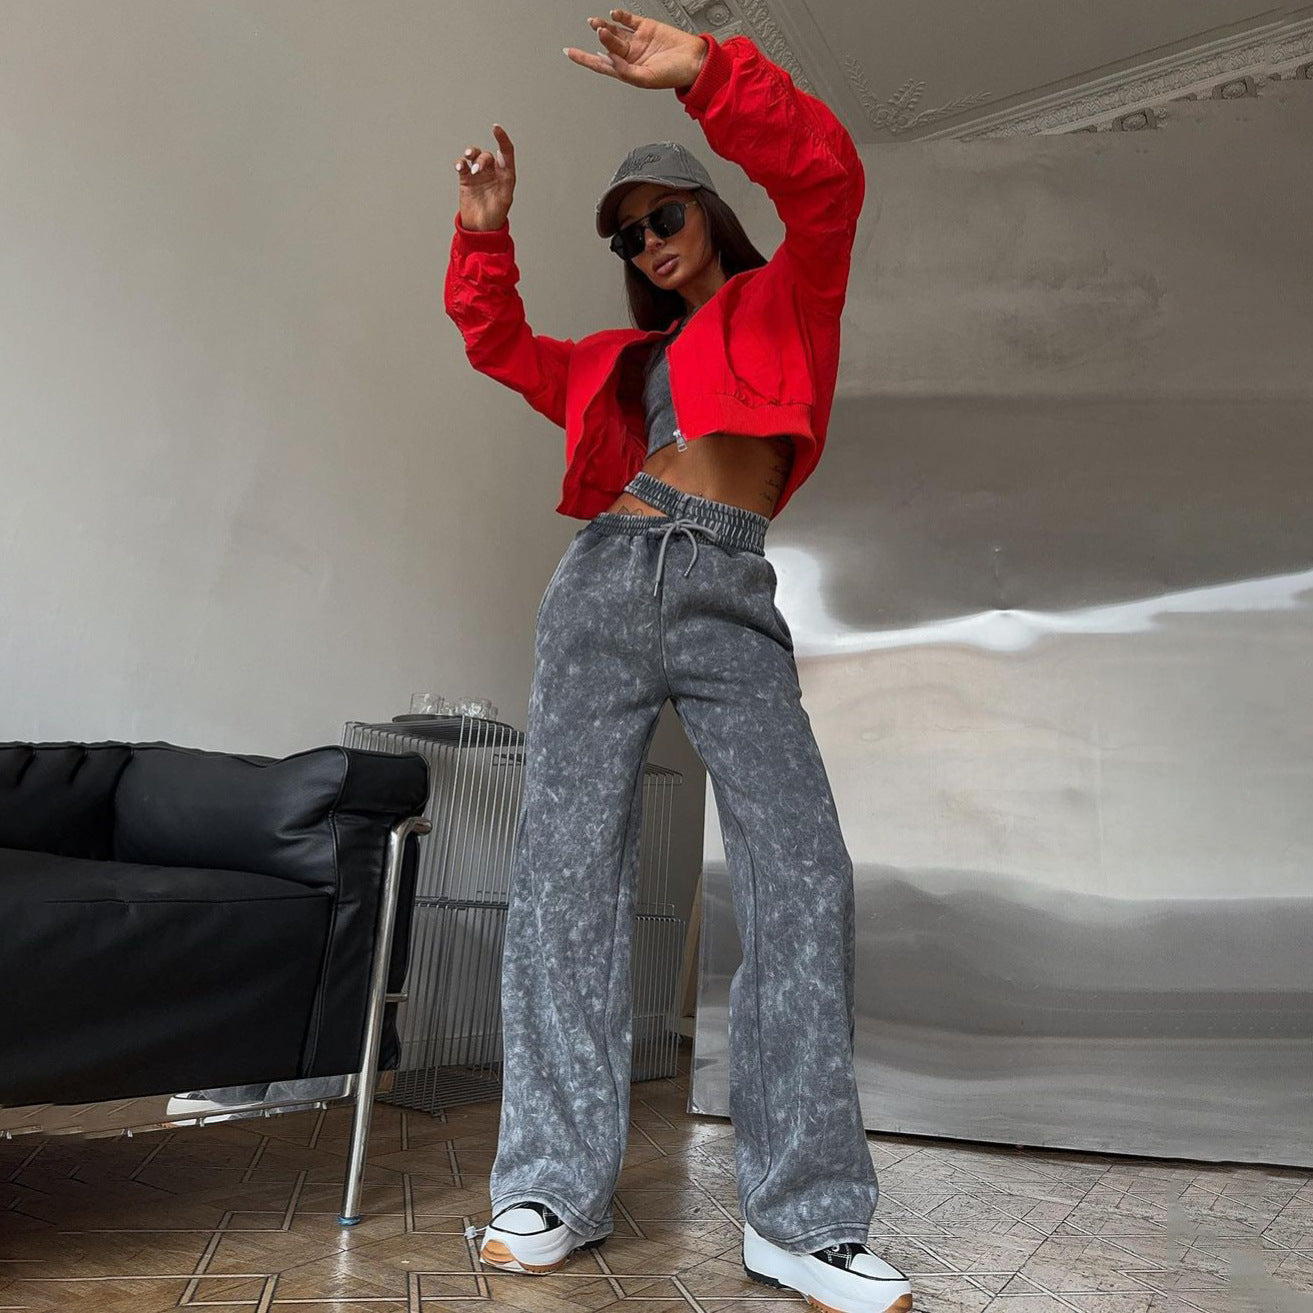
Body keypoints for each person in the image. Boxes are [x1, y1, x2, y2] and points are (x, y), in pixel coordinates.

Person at [446, 11, 912, 1313]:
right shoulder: (616, 362)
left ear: (707, 213)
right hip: (603, 579)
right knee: (564, 878)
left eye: (663, 216)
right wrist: (483, 234)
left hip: (725, 585)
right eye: (627, 236)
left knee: (803, 873)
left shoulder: (789, 293)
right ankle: (551, 1185)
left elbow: (828, 173)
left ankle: (803, 1221)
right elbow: (496, 342)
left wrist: (709, 74)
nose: (648, 242)